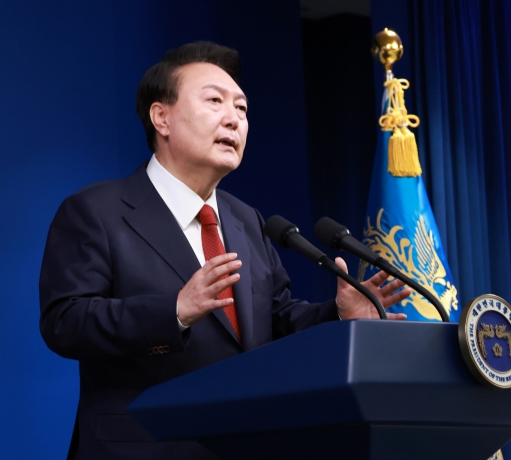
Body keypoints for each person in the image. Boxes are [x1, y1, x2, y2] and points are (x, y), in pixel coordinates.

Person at [39, 41, 411, 460]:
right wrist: (173, 312)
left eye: (242, 108)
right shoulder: (97, 211)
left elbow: (276, 320)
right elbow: (64, 322)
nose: (233, 119)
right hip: (141, 450)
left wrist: (338, 315)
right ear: (161, 117)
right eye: (215, 101)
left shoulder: (245, 220)